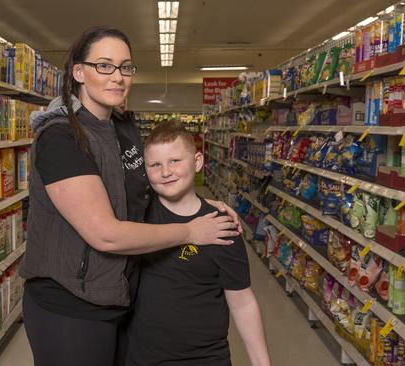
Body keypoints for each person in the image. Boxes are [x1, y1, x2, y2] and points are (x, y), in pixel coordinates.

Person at [19, 26, 241, 366]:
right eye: (104, 66)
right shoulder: (61, 138)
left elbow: (140, 197)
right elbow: (105, 234)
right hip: (70, 306)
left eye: (126, 67)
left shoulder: (122, 128)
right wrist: (190, 231)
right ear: (79, 72)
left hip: (118, 295)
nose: (118, 77)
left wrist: (199, 207)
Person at [126, 120, 272, 366]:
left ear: (198, 162)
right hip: (142, 356)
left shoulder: (222, 225)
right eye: (155, 164)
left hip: (204, 357)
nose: (166, 172)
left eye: (175, 161)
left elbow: (242, 302)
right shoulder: (137, 214)